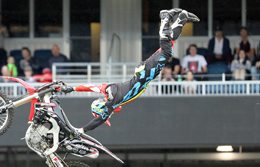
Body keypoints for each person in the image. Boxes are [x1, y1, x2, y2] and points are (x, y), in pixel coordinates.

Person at [64, 10, 197, 133]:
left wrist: (81, 130)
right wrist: (72, 88)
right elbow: (88, 87)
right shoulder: (108, 92)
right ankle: (181, 19)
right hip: (144, 73)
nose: (111, 114)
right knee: (168, 46)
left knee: (166, 51)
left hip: (146, 74)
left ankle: (165, 18)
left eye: (104, 113)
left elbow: (98, 120)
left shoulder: (111, 102)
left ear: (101, 108)